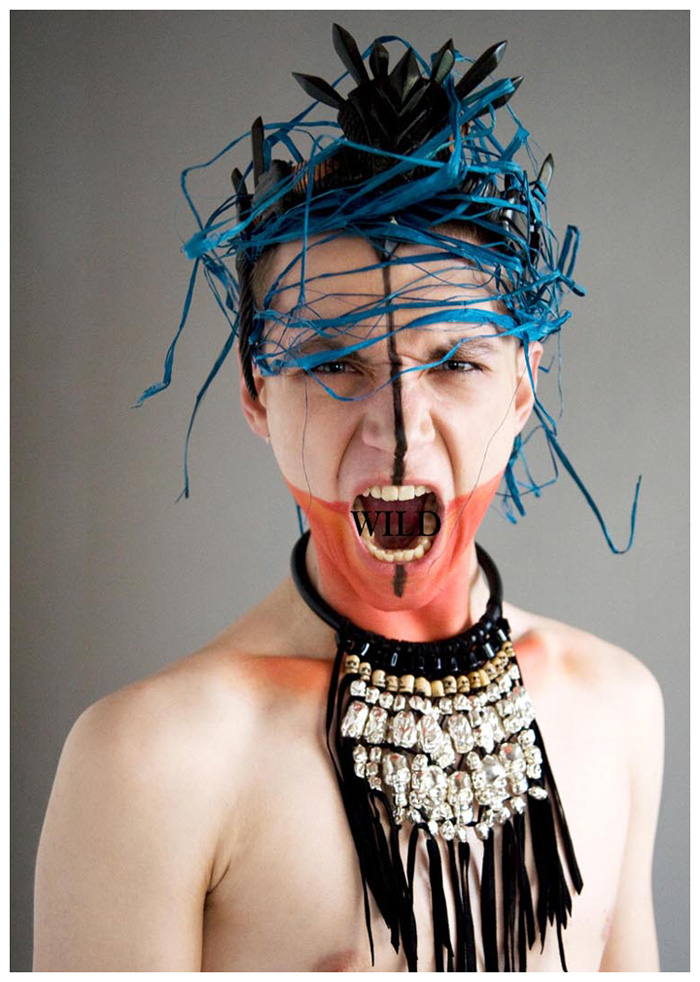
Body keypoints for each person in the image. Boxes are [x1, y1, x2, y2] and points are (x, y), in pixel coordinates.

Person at [33, 26, 663, 972]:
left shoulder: (618, 707)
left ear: (524, 386)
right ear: (256, 392)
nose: (399, 432)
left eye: (455, 362)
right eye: (334, 364)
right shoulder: (153, 760)